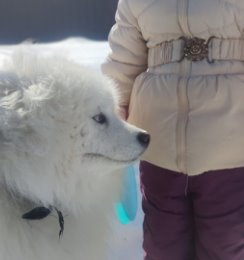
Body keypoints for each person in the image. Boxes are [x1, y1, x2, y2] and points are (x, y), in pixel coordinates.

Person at [101, 0, 244, 259]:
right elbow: (124, 59)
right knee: (163, 244)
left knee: (225, 243)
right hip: (159, 144)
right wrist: (114, 108)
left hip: (230, 146)